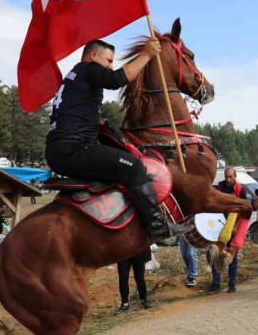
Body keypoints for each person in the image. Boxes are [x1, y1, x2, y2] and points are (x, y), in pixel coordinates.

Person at [44, 38, 171, 241]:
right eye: (109, 61)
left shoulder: (75, 76)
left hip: (62, 150)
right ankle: (158, 229)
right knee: (134, 166)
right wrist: (147, 54)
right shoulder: (88, 69)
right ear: (93, 56)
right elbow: (116, 80)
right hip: (74, 149)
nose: (111, 67)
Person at [209, 167, 248, 294]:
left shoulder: (241, 190)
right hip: (218, 227)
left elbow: (244, 209)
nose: (228, 179)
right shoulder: (219, 188)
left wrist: (237, 226)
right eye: (226, 177)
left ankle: (232, 284)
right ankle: (216, 284)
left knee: (232, 257)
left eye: (231, 177)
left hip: (233, 228)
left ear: (235, 176)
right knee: (216, 255)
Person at [114, 247, 152, 314]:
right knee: (123, 278)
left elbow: (145, 237)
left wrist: (147, 255)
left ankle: (144, 300)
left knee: (139, 277)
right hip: (123, 253)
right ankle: (125, 304)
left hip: (138, 252)